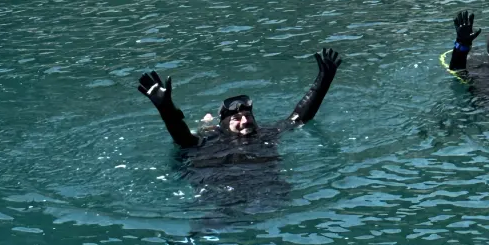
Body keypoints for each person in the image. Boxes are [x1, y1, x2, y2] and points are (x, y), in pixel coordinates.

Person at [137, 47, 341, 151]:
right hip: (220, 199)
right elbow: (182, 137)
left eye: (247, 115)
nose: (245, 120)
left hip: (269, 195)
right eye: (236, 118)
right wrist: (166, 109)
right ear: (222, 125)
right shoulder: (211, 141)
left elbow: (299, 117)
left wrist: (323, 80)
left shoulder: (267, 134)